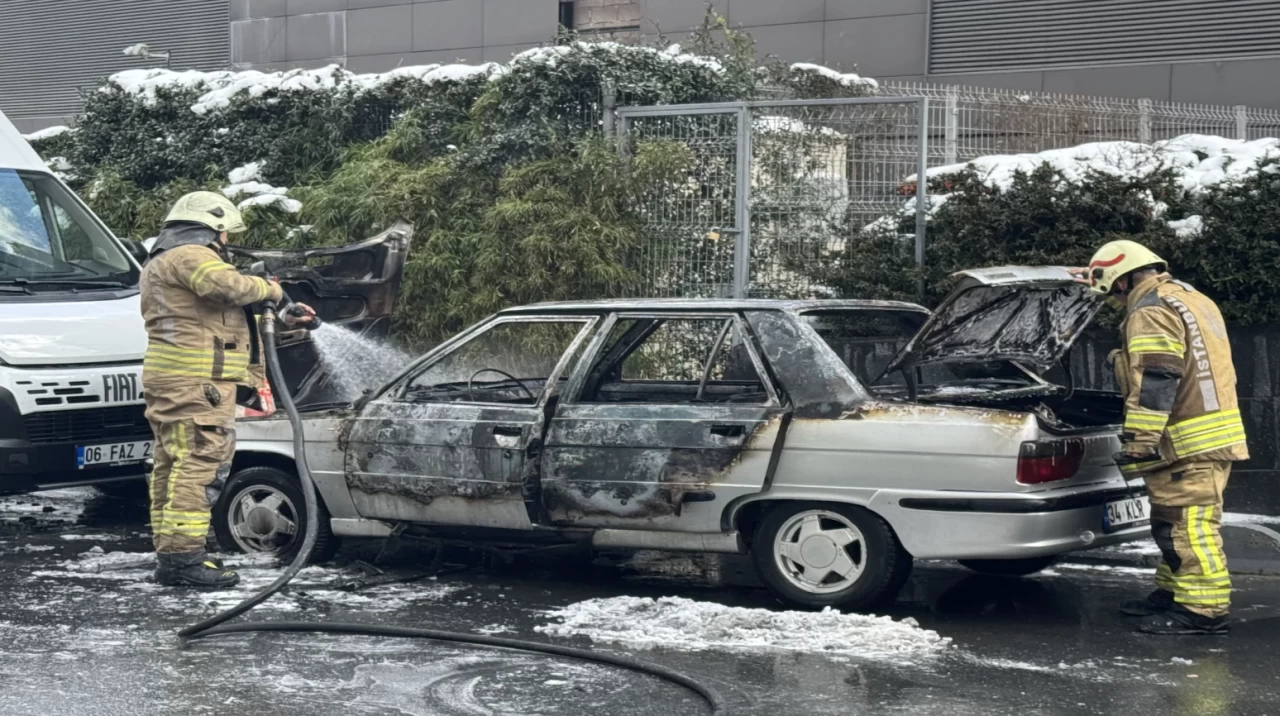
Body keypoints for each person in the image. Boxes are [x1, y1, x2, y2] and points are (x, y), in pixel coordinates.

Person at [140, 191, 315, 588]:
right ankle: (184, 561)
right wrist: (270, 289)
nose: (226, 243)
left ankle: (175, 553)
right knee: (199, 466)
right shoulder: (190, 255)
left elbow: (215, 316)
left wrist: (282, 310)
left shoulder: (163, 260)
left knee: (173, 467)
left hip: (177, 382)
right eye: (225, 234)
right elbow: (226, 286)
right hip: (197, 385)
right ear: (213, 227)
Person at [1081, 240, 1247, 635]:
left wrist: (1140, 438)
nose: (1116, 302)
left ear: (1121, 281)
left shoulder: (1150, 310)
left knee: (1190, 527)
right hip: (1204, 434)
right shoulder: (1191, 299)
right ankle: (1173, 593)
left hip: (1185, 441)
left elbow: (1157, 377)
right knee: (1172, 522)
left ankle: (1203, 610)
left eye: (1112, 292)